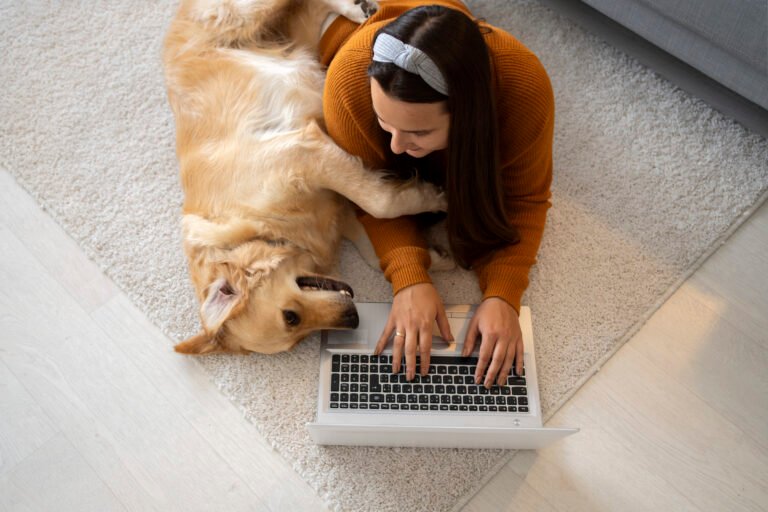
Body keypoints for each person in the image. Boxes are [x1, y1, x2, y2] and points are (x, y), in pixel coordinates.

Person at [319, 0, 554, 388]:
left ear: (469, 114)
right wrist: (408, 277)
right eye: (384, 123)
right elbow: (369, 196)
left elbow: (526, 199)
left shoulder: (523, 87)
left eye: (418, 133)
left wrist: (503, 294)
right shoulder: (347, 86)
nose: (394, 147)